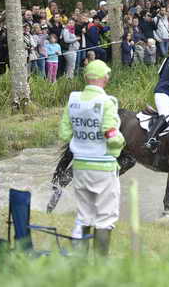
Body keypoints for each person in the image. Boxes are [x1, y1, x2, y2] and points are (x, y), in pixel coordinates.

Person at [59, 59, 125, 258]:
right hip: (103, 166)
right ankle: (100, 264)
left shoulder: (73, 100)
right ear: (105, 79)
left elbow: (64, 133)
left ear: (86, 78)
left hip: (80, 165)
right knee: (105, 215)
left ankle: (80, 261)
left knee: (84, 214)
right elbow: (110, 134)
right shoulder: (107, 102)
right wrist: (120, 141)